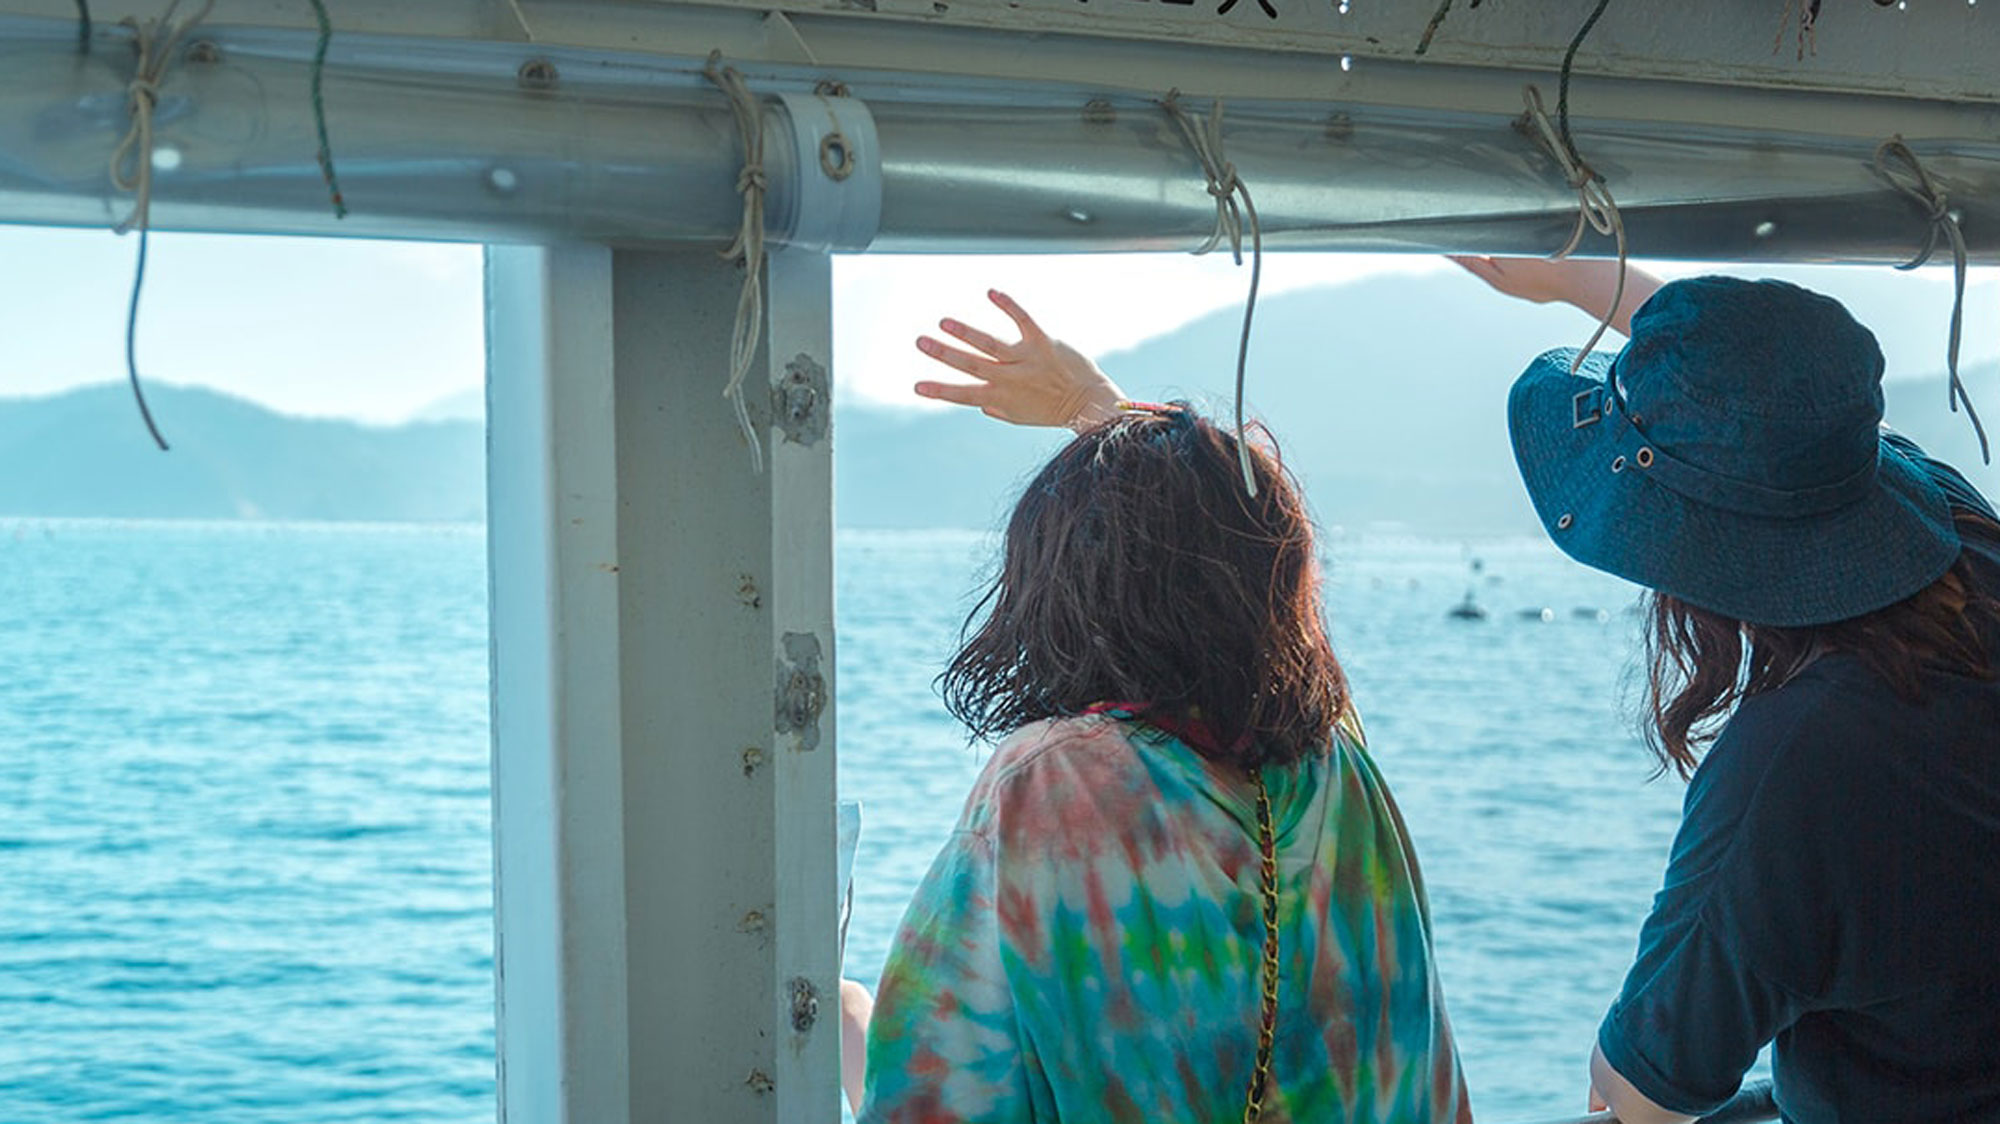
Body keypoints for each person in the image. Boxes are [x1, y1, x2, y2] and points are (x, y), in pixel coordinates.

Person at [913, 268, 2000, 1123]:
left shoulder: (1788, 773)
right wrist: (1590, 280)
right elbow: (1782, 410)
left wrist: (1106, 422)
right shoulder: (1964, 548)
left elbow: (1637, 1093)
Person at [842, 381, 1472, 1123]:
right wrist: (1102, 407)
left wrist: (845, 1016)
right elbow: (1218, 538)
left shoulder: (1050, 781)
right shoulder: (1343, 767)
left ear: (1063, 588)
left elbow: (929, 1099)